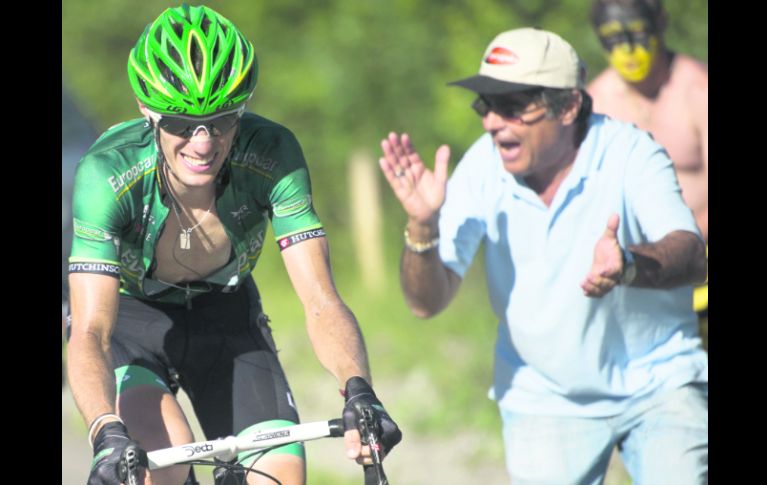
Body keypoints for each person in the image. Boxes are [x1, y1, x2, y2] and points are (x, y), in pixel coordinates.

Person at [66, 5, 401, 485]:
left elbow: (321, 300)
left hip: (227, 318)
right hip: (132, 325)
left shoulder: (272, 154)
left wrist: (360, 393)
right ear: (148, 113)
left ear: (241, 110)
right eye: (182, 124)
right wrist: (105, 432)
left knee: (281, 477)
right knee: (164, 466)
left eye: (221, 120)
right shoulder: (106, 173)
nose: (203, 143)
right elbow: (91, 331)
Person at [379, 27, 707, 484]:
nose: (494, 122)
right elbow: (425, 302)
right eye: (486, 106)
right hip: (544, 395)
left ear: (569, 106)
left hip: (658, 381)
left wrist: (628, 265)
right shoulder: (481, 168)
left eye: (514, 105)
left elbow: (693, 255)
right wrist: (422, 227)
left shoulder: (632, 153)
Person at [587, 0, 708, 333]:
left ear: (660, 24)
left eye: (638, 33)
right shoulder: (594, 104)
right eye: (613, 37)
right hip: (631, 277)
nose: (628, 49)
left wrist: (680, 245)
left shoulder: (698, 89)